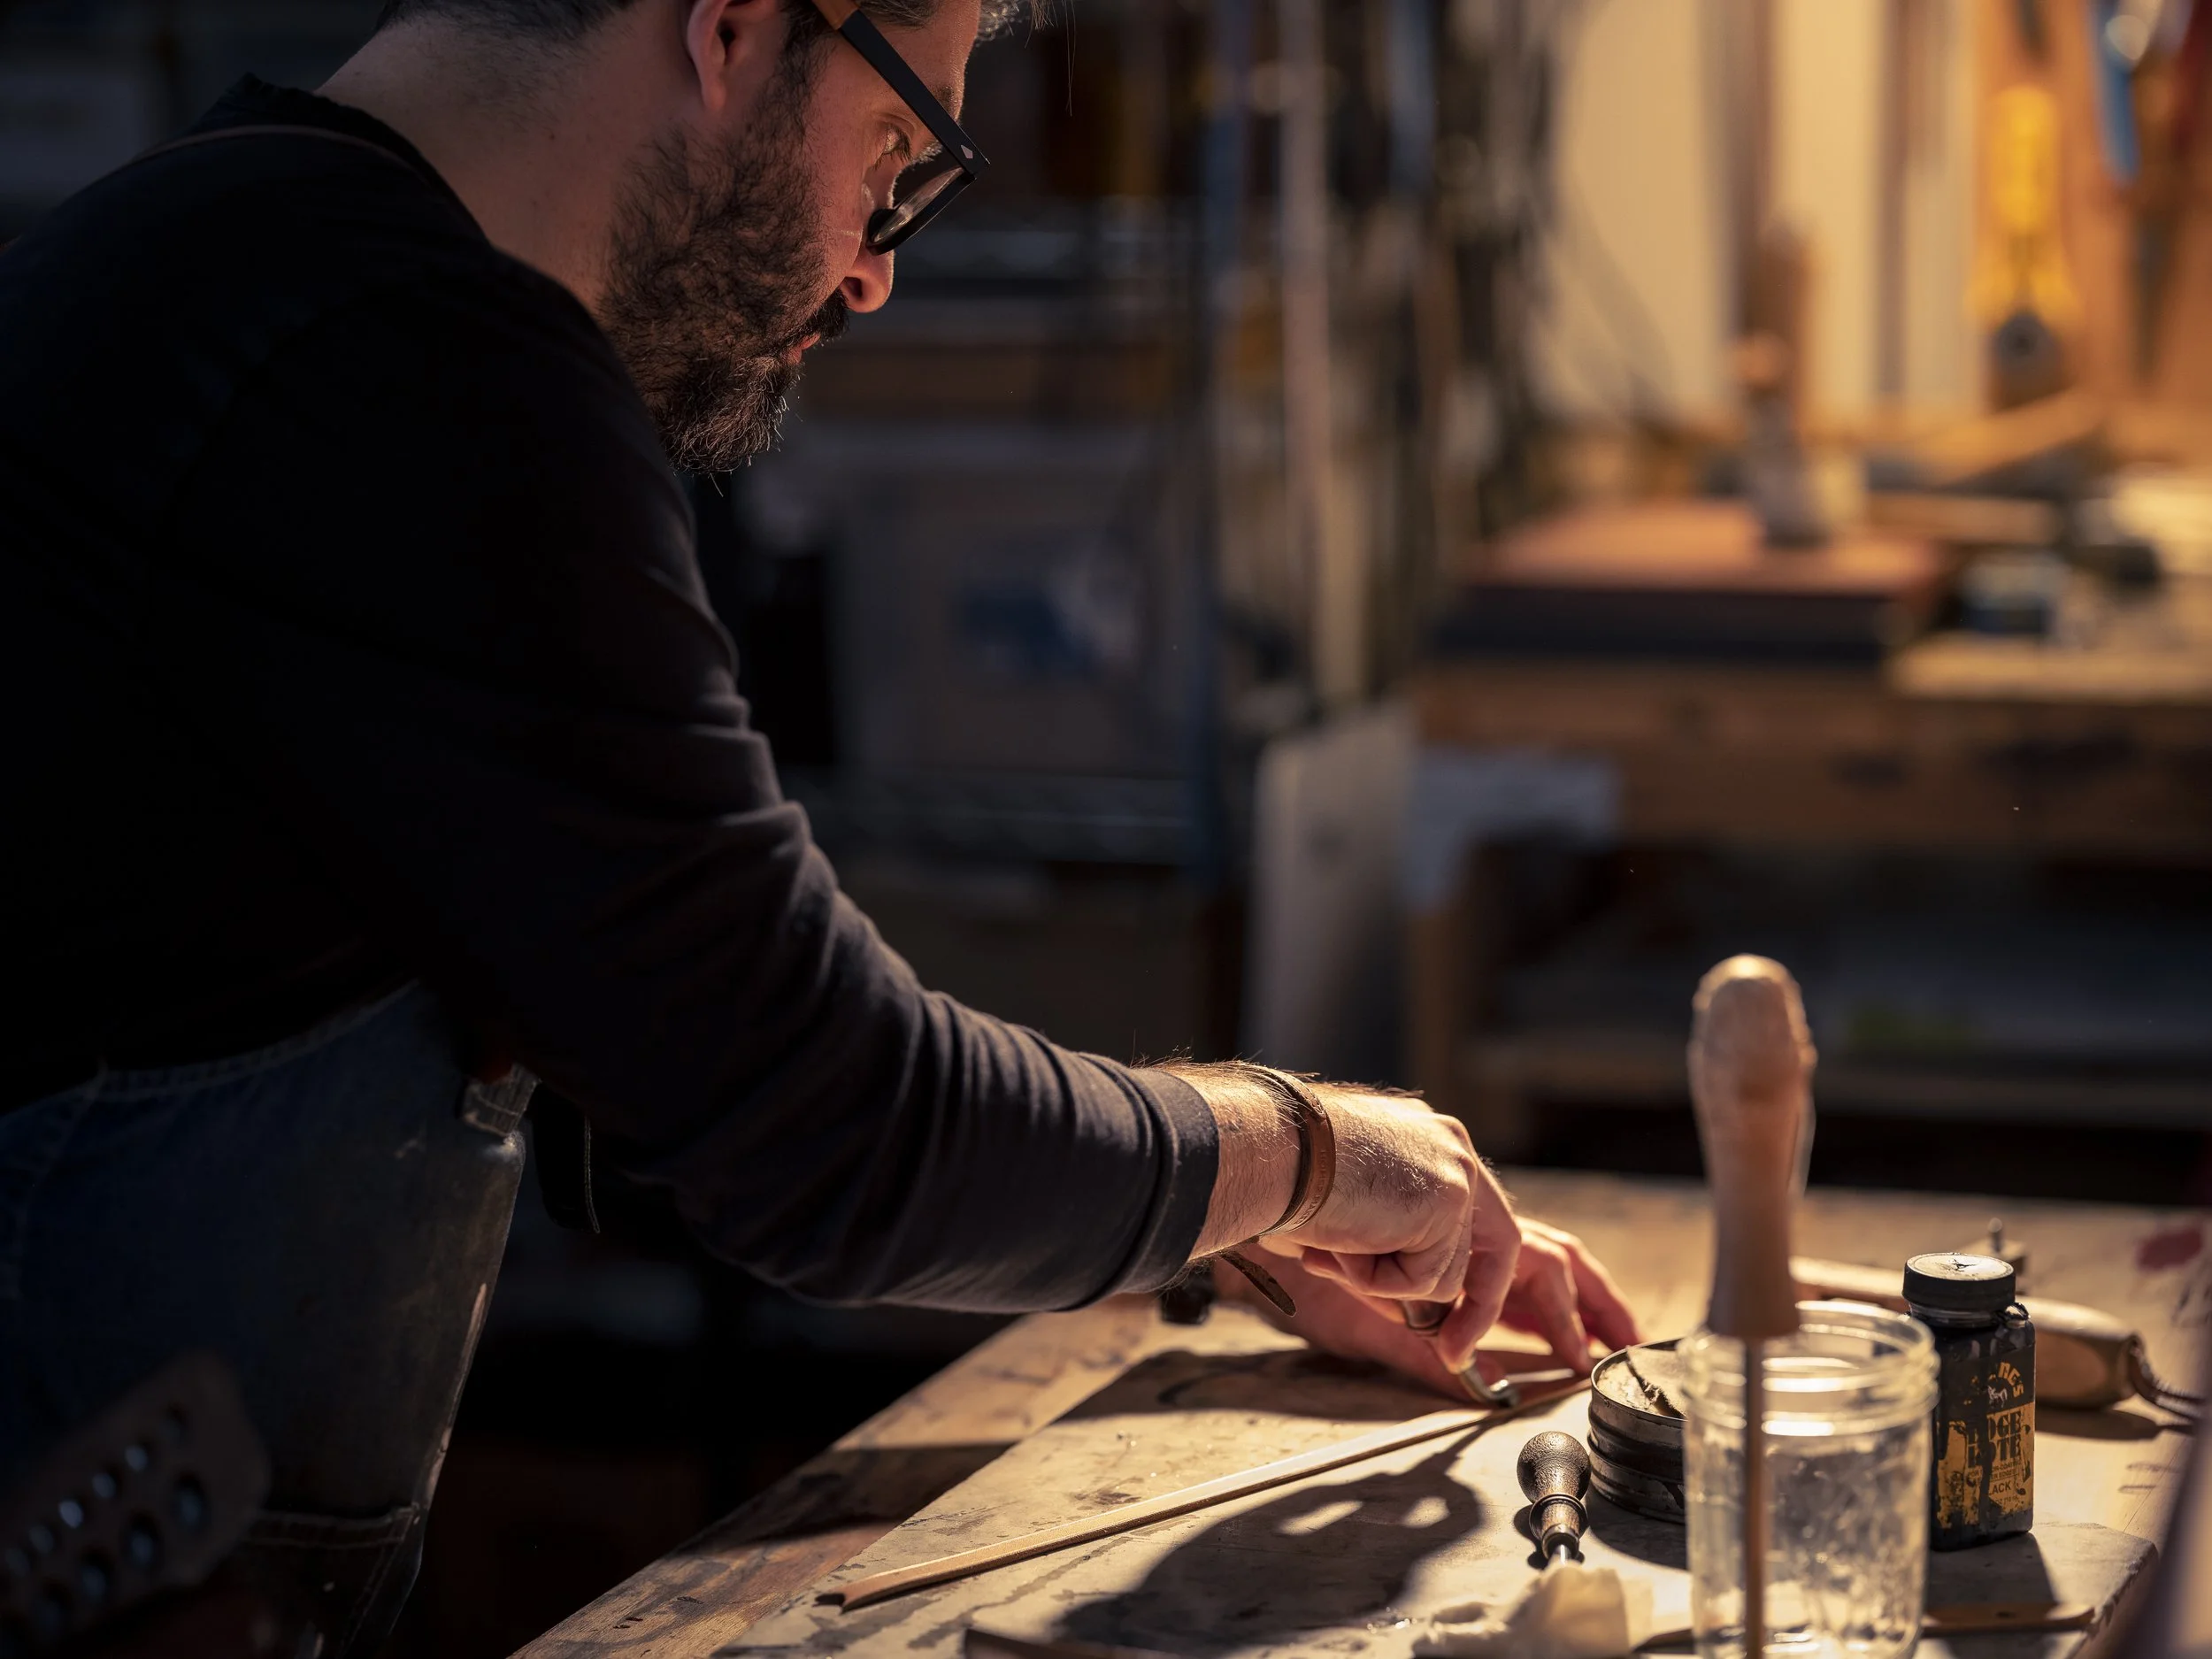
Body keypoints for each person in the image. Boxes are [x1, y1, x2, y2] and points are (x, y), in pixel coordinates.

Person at [0, 0, 1639, 1649]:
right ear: (729, 27)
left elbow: (666, 1049)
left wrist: (1212, 1232)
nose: (875, 273)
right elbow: (818, 1121)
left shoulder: (221, 249)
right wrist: (1304, 1151)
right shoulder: (418, 368)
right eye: (897, 162)